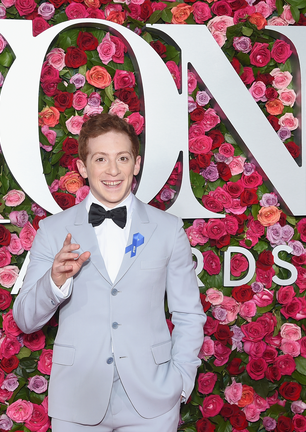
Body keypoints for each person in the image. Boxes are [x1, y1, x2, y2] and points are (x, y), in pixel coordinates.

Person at [13, 113, 206, 431]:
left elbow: (189, 313)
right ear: (82, 168)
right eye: (101, 159)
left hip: (153, 400)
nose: (113, 170)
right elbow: (25, 319)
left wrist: (181, 381)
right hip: (77, 398)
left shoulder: (168, 229)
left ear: (137, 164)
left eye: (123, 158)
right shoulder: (52, 231)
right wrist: (55, 281)